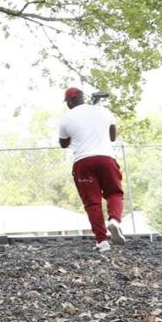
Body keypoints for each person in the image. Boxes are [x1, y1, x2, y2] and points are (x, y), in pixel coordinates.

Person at [57, 88, 126, 252]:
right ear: (82, 98)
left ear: (70, 101)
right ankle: (115, 221)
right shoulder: (103, 111)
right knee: (114, 193)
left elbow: (63, 144)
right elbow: (112, 136)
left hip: (83, 163)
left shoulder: (66, 118)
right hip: (106, 159)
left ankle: (102, 242)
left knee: (92, 203)